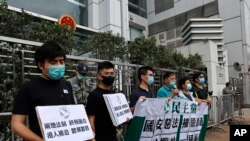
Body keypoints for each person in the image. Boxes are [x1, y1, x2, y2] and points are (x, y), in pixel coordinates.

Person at [11, 41, 75, 141]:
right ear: (41, 65)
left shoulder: (66, 85)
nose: (59, 65)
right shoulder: (28, 88)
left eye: (61, 62)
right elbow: (16, 125)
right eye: (53, 62)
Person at [86, 61, 117, 141]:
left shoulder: (114, 93)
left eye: (112, 73)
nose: (110, 76)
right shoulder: (94, 95)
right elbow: (91, 118)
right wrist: (92, 137)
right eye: (106, 73)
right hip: (100, 137)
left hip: (113, 136)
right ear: (99, 76)